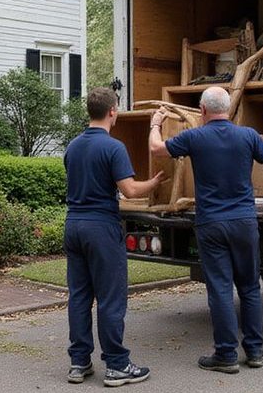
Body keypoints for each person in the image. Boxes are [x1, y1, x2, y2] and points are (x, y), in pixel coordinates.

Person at [149, 86, 263, 374]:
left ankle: (226, 355)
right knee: (250, 287)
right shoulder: (248, 135)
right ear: (228, 109)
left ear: (202, 110)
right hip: (243, 222)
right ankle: (255, 351)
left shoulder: (194, 137)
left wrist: (155, 124)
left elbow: (156, 148)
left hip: (211, 224)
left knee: (220, 289)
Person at [63, 87, 166, 387]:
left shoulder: (73, 146)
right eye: (118, 109)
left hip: (74, 225)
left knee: (80, 296)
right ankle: (117, 365)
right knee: (110, 297)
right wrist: (156, 181)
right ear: (112, 112)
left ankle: (79, 362)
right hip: (101, 228)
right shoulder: (113, 147)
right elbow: (130, 190)